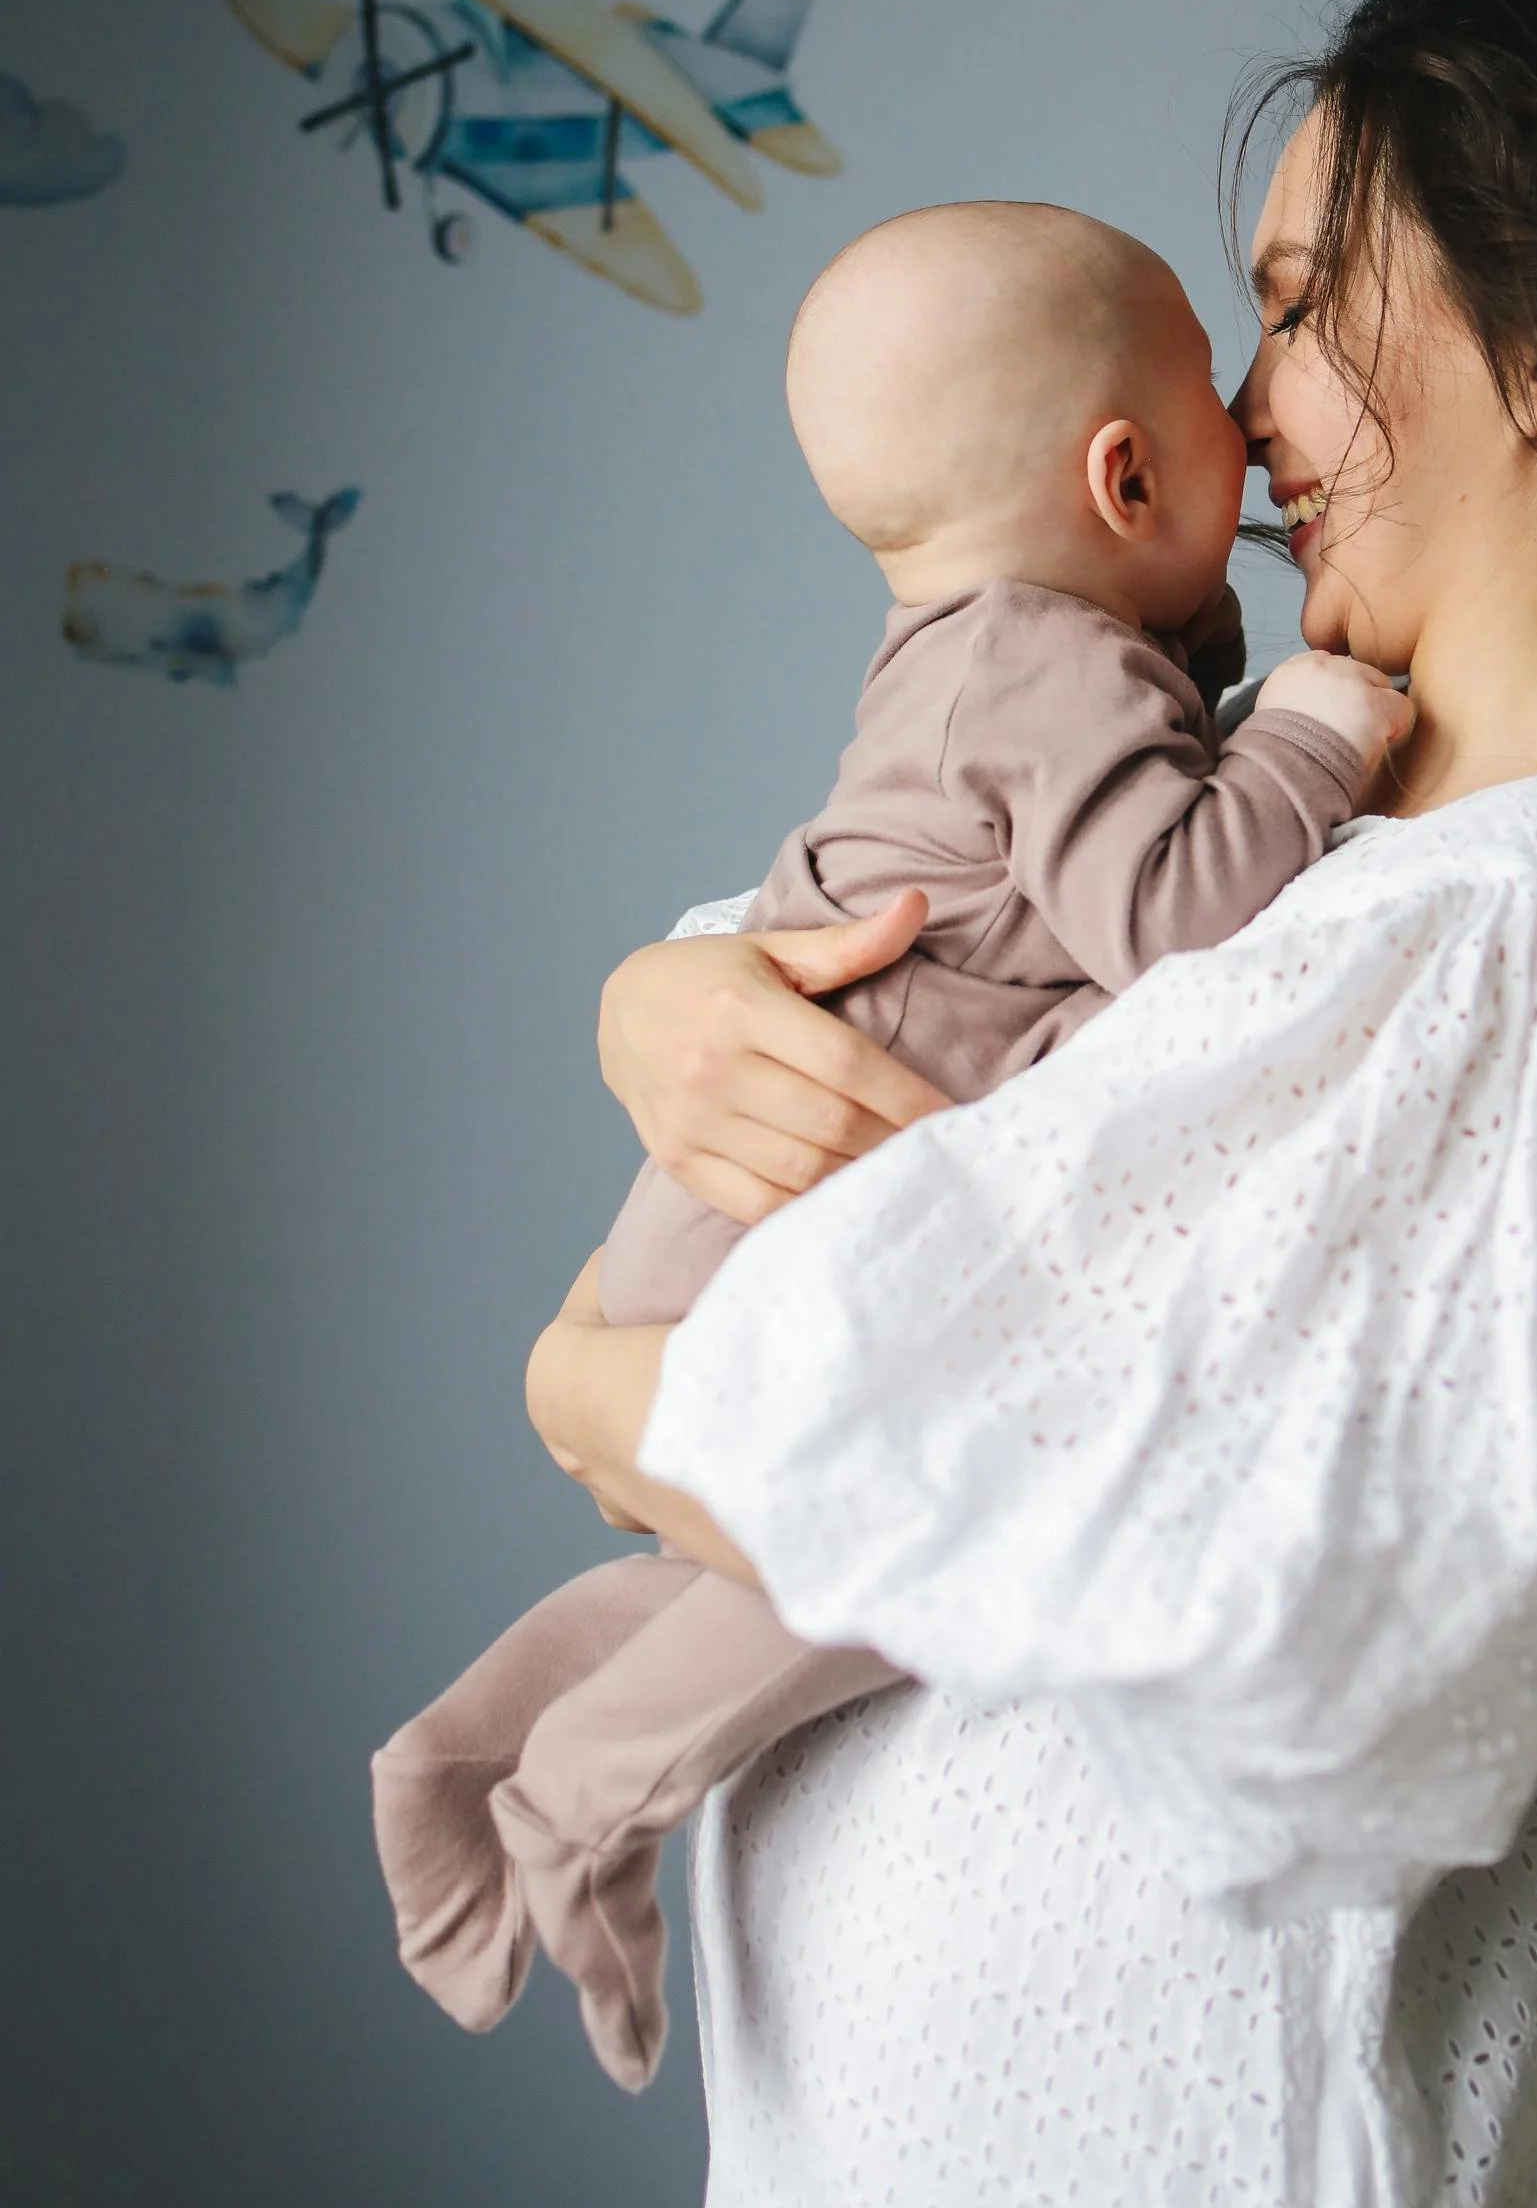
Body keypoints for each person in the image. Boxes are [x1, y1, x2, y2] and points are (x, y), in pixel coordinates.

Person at [523, 0, 1537, 2203]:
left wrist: (590, 1389)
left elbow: (978, 1464)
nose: (1236, 402)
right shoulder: (1349, 845)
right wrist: (667, 991)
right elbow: (956, 971)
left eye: (1303, 304)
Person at [373, 201, 1408, 2091]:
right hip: (797, 1202)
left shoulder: (960, 651)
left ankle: (466, 1750)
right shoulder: (1054, 668)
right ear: (1121, 472)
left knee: (740, 1570)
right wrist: (1320, 735)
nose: (1250, 426)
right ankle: (579, 1808)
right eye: (1210, 392)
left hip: (732, 1195)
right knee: (861, 1563)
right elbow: (1179, 910)